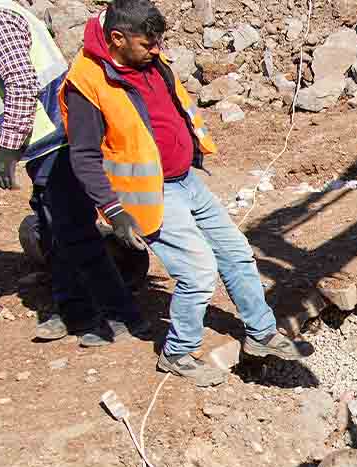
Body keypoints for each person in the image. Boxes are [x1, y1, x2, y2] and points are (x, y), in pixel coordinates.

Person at [59, 0, 304, 387]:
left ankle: (262, 334)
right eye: (146, 44)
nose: (156, 50)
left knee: (236, 253)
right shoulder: (87, 82)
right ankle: (177, 352)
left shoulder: (147, 58)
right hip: (149, 192)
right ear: (118, 38)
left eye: (157, 43)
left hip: (185, 180)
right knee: (197, 271)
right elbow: (85, 156)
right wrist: (113, 209)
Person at [0, 0, 146, 347]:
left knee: (74, 230)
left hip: (55, 139)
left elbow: (20, 82)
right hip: (50, 137)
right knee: (52, 225)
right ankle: (73, 309)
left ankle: (119, 315)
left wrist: (7, 148)